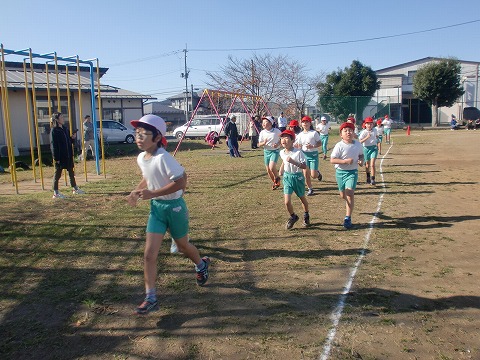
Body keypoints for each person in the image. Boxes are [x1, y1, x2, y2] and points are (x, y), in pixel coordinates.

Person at [127, 114, 210, 315]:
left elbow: (181, 182)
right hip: (157, 210)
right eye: (136, 133)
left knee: (182, 247)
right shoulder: (141, 157)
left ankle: (201, 264)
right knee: (149, 255)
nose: (138, 137)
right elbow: (148, 177)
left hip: (175, 208)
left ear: (157, 137)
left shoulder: (164, 157)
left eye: (143, 134)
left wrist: (152, 193)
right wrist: (136, 192)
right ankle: (151, 298)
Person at [330, 121, 364, 229]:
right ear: (341, 134)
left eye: (350, 130)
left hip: (352, 172)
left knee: (349, 193)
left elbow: (361, 156)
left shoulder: (358, 144)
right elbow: (332, 160)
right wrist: (345, 161)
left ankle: (347, 218)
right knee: (342, 195)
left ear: (354, 133)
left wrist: (361, 161)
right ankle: (349, 203)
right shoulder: (339, 145)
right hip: (340, 172)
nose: (348, 132)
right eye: (345, 131)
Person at [279, 129, 310, 229]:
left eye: (286, 137)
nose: (284, 140)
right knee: (287, 202)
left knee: (302, 198)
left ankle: (306, 214)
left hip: (298, 177)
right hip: (287, 177)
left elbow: (304, 166)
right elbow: (284, 161)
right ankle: (293, 217)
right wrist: (281, 169)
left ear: (292, 140)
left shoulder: (298, 153)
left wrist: (293, 162)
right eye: (282, 138)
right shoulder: (282, 152)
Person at [50, 112, 85, 199]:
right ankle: (56, 193)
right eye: (61, 117)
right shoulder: (54, 130)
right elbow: (53, 145)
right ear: (57, 120)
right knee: (57, 174)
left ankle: (75, 189)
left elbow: (68, 141)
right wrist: (56, 158)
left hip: (68, 155)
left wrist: (72, 138)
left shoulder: (65, 128)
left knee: (71, 173)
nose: (63, 118)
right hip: (60, 156)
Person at [294, 116, 322, 196]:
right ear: (301, 124)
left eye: (307, 122)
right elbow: (297, 144)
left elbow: (319, 143)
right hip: (304, 156)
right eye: (303, 122)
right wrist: (297, 146)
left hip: (313, 155)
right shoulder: (300, 135)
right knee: (306, 174)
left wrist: (313, 146)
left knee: (313, 175)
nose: (305, 123)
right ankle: (310, 189)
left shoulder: (314, 133)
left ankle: (318, 174)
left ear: (310, 123)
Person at [258, 116, 282, 190]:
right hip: (266, 151)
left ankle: (277, 177)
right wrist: (264, 143)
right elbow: (259, 144)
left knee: (272, 167)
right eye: (263, 122)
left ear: (270, 123)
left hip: (275, 151)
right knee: (268, 170)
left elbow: (282, 139)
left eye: (266, 122)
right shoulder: (262, 132)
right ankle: (275, 182)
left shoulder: (277, 131)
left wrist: (277, 144)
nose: (264, 124)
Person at [358, 117, 378, 185]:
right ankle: (368, 177)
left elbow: (376, 136)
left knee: (372, 164)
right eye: (368, 124)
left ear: (373, 124)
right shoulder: (364, 132)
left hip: (374, 148)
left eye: (371, 123)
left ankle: (373, 179)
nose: (369, 125)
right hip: (366, 148)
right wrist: (367, 137)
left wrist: (376, 139)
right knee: (367, 164)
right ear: (365, 124)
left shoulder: (375, 130)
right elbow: (360, 141)